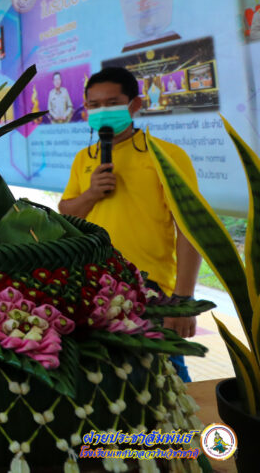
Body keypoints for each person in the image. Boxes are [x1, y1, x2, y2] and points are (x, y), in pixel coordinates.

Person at [59, 66, 201, 381]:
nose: (102, 111)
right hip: (93, 285)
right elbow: (67, 214)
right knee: (109, 379)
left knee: (167, 378)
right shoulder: (84, 158)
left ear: (135, 105)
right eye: (94, 105)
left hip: (150, 290)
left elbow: (190, 230)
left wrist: (183, 299)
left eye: (112, 103)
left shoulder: (166, 155)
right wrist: (91, 194)